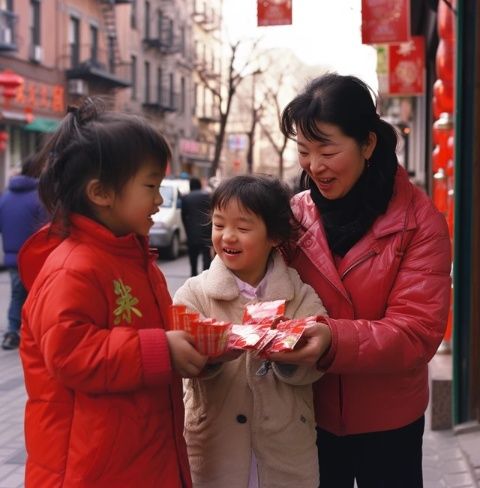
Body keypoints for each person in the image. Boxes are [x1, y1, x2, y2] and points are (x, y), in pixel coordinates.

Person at [268, 73, 451, 488]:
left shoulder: (419, 222)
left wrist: (333, 339)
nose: (314, 166)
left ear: (368, 144)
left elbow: (417, 332)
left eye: (327, 149)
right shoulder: (293, 217)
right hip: (305, 413)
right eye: (304, 151)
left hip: (389, 424)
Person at [18, 98, 207, 487]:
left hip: (139, 456)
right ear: (101, 192)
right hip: (88, 469)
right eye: (151, 185)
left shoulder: (131, 256)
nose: (158, 199)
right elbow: (70, 353)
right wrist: (162, 349)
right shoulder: (75, 266)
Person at [173, 174, 328, 488]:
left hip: (285, 448)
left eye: (242, 228)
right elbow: (182, 364)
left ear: (274, 237)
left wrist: (290, 354)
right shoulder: (193, 295)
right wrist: (214, 355)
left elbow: (315, 365)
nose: (228, 237)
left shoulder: (300, 295)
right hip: (216, 448)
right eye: (219, 225)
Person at [0, 156, 46, 350]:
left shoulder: (6, 196)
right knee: (34, 296)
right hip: (34, 256)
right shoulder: (39, 198)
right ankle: (18, 332)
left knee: (18, 294)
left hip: (11, 256)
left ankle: (15, 331)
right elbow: (48, 228)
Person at [181, 177, 212, 276]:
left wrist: (187, 230)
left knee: (193, 256)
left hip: (192, 231)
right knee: (206, 256)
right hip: (206, 230)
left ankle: (193, 275)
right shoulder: (207, 196)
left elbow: (183, 215)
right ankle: (206, 277)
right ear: (199, 185)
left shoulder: (186, 197)